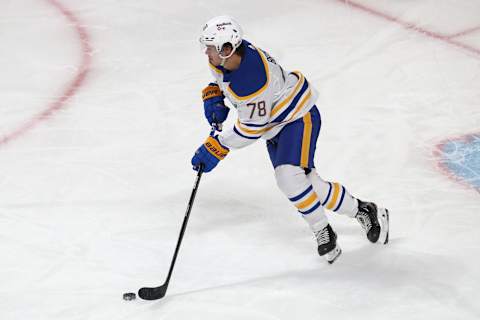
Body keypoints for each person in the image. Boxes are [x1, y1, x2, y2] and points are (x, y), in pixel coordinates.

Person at [191, 15, 389, 263]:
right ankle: (363, 210)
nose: (206, 53)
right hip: (275, 126)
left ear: (227, 49)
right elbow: (223, 81)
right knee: (308, 184)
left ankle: (322, 230)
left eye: (210, 48)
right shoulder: (228, 59)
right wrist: (214, 95)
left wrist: (217, 147)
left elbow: (251, 129)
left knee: (288, 178)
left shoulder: (251, 78)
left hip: (297, 117)